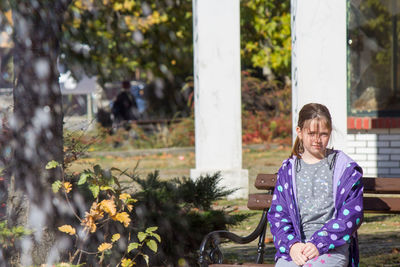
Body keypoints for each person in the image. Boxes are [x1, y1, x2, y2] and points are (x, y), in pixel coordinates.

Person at [267, 103, 363, 267]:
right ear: (299, 132)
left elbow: (351, 216)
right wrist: (292, 246)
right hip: (296, 247)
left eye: (323, 134)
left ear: (330, 133)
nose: (317, 140)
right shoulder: (288, 170)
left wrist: (320, 243)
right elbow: (278, 215)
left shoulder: (345, 169)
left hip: (332, 247)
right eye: (311, 133)